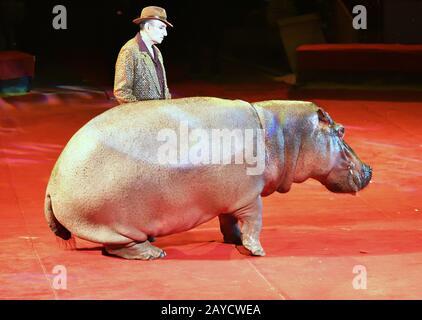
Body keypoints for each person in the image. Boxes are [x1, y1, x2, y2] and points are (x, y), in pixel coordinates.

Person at [113, 6, 172, 104]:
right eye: (161, 28)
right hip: (142, 117)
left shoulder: (157, 52)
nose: (165, 33)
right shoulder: (129, 50)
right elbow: (121, 92)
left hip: (160, 115)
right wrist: (143, 114)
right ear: (148, 27)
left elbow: (163, 88)